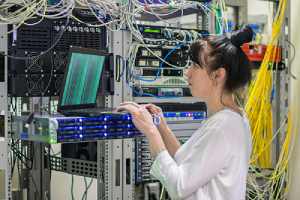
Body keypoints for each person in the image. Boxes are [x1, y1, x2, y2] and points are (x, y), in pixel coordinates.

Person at [117, 26, 254, 200]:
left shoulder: (223, 126)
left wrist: (151, 131)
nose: (187, 73)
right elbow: (186, 162)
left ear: (218, 75)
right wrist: (162, 127)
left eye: (196, 66)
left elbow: (179, 186)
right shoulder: (230, 119)